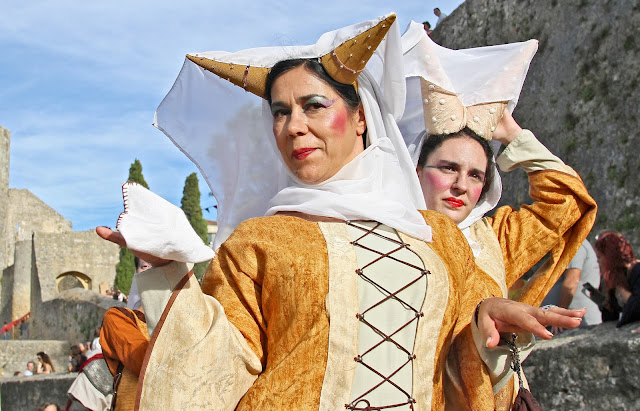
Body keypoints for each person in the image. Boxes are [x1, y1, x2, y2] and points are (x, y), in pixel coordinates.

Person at [97, 14, 583, 410]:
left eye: (313, 105)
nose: (293, 126)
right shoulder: (257, 242)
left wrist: (484, 326)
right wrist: (165, 269)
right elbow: (214, 374)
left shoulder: (438, 236)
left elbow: (454, 373)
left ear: (361, 116)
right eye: (281, 112)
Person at [392, 21, 597, 409]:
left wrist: (512, 133)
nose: (461, 185)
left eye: (475, 175)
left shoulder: (494, 239)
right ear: (416, 169)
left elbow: (566, 202)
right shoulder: (383, 235)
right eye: (448, 168)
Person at [543, 240, 602, 330]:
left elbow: (572, 281)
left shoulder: (576, 245)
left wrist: (560, 317)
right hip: (568, 319)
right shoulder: (568, 244)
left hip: (575, 320)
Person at [594, 231, 640, 327]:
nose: (597, 262)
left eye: (600, 257)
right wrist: (607, 306)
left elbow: (637, 307)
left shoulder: (637, 271)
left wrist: (620, 287)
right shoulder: (613, 277)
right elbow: (611, 319)